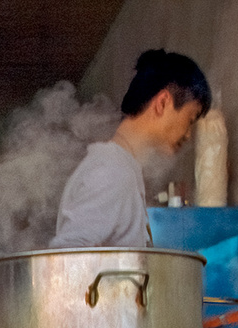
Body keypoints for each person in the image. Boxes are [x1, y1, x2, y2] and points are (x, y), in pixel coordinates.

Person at [50, 49, 211, 248]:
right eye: (190, 119)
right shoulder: (112, 171)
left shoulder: (120, 167)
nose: (188, 135)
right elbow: (68, 256)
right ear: (162, 103)